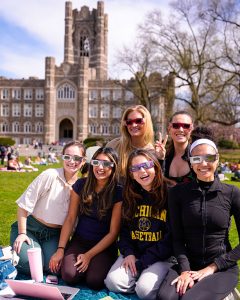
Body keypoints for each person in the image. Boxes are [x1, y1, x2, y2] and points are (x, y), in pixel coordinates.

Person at [157, 138, 240, 300]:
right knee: (165, 297)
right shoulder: (177, 194)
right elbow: (177, 238)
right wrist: (185, 271)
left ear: (217, 158)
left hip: (220, 267)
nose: (203, 164)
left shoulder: (232, 193)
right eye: (196, 159)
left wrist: (213, 267)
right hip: (187, 263)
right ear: (190, 162)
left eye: (209, 158)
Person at [49, 147, 122, 290]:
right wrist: (61, 249)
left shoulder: (118, 191)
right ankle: (84, 266)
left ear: (114, 167)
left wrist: (88, 256)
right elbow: (70, 218)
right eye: (96, 162)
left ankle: (95, 264)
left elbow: (113, 233)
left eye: (106, 164)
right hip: (80, 241)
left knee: (94, 281)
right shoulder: (81, 185)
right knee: (69, 276)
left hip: (104, 246)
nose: (100, 167)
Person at [105, 149, 172, 299]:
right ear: (131, 174)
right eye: (135, 168)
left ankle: (147, 279)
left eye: (146, 165)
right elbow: (124, 230)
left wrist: (144, 262)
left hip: (162, 257)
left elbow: (171, 238)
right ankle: (140, 277)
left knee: (144, 290)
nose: (141, 171)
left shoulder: (171, 194)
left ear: (155, 166)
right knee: (112, 282)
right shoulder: (130, 195)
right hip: (134, 254)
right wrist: (128, 253)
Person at [10, 141, 86, 275]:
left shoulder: (81, 187)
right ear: (62, 158)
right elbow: (23, 205)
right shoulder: (50, 175)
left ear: (83, 161)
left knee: (54, 269)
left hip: (54, 234)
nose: (71, 161)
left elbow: (73, 220)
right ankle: (12, 255)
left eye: (77, 158)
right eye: (67, 157)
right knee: (32, 266)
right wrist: (22, 233)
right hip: (31, 229)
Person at [106, 105, 167, 178]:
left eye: (138, 121)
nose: (134, 125)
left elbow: (156, 182)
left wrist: (160, 159)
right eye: (129, 122)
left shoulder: (153, 152)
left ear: (147, 122)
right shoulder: (114, 145)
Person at [163, 111, 194, 185]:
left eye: (186, 126)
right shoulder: (164, 157)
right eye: (176, 125)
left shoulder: (196, 155)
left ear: (191, 129)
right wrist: (160, 160)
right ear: (169, 128)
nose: (180, 129)